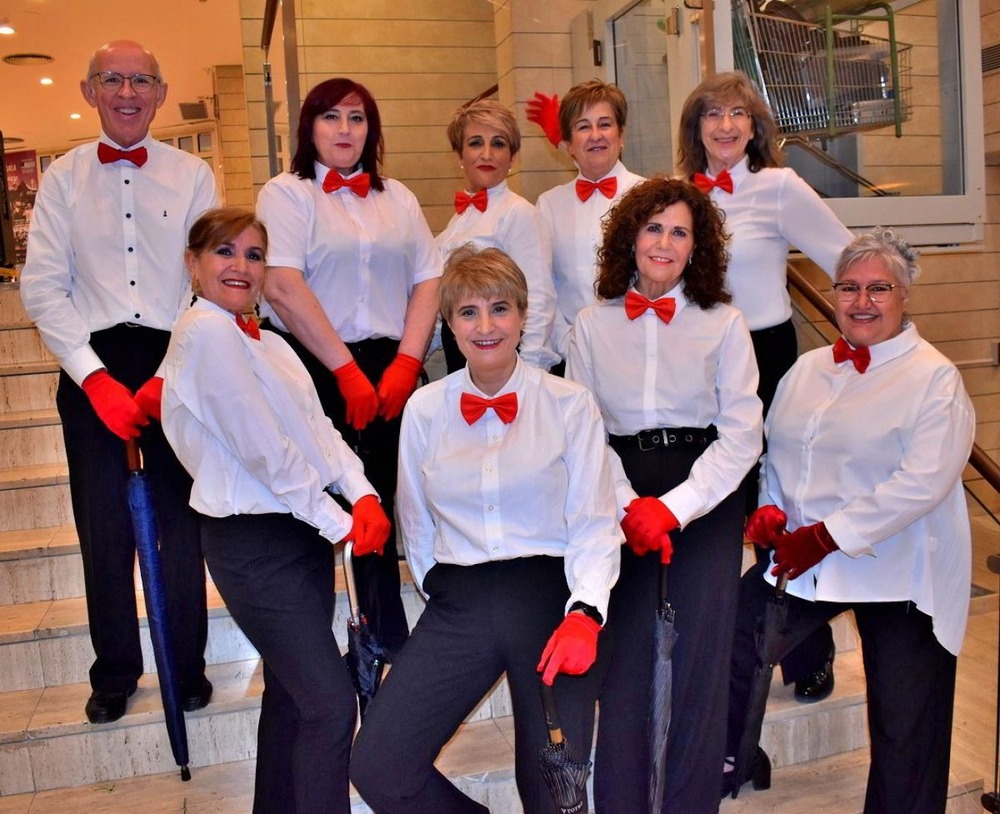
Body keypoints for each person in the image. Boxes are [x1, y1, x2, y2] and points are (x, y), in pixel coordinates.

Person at [350, 246, 622, 814]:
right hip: (462, 602)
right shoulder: (425, 410)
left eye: (500, 308)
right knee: (378, 766)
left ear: (523, 316)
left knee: (555, 789)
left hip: (553, 603)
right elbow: (415, 519)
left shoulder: (570, 405)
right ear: (448, 324)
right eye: (468, 312)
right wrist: (440, 587)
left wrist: (586, 613)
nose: (486, 326)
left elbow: (595, 522)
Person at [725, 228, 975, 812]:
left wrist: (826, 535)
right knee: (732, 635)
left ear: (904, 294)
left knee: (905, 723)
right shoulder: (808, 369)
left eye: (878, 288)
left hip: (903, 573)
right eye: (849, 287)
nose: (861, 301)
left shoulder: (935, 379)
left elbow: (922, 483)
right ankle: (734, 754)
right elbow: (780, 451)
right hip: (811, 565)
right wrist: (770, 508)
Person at [161, 207, 391, 814]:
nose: (240, 266)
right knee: (328, 703)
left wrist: (363, 491)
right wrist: (343, 522)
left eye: (254, 254)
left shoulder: (273, 346)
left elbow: (320, 432)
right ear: (193, 265)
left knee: (292, 698)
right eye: (224, 252)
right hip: (254, 544)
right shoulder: (204, 332)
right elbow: (267, 454)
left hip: (298, 536)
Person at [20, 39, 217, 724]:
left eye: (140, 80)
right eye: (112, 79)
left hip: (176, 365)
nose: (127, 92)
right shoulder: (63, 179)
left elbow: (210, 283)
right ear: (89, 91)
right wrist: (94, 379)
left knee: (179, 529)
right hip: (92, 366)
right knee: (103, 530)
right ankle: (115, 669)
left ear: (160, 94)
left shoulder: (194, 175)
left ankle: (186, 667)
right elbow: (42, 287)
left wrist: (168, 377)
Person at [567, 177, 763, 814]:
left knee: (699, 666)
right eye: (653, 228)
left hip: (704, 490)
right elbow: (583, 428)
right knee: (623, 666)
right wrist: (628, 505)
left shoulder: (726, 324)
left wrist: (674, 508)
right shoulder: (591, 327)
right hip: (618, 484)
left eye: (680, 231)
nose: (665, 242)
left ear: (696, 247)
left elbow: (742, 436)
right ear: (630, 237)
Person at [677, 70, 854, 700]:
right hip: (701, 360)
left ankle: (806, 653)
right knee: (716, 501)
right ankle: (724, 650)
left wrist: (866, 332)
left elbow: (848, 259)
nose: (725, 125)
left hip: (767, 355)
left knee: (778, 503)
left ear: (755, 127)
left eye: (738, 114)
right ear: (695, 128)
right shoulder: (677, 193)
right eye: (713, 114)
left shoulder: (778, 187)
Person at [256, 77, 442, 656]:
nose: (344, 130)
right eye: (331, 117)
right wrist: (344, 371)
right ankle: (312, 645)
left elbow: (428, 279)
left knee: (383, 503)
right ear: (309, 126)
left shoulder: (399, 199)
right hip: (314, 364)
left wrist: (408, 361)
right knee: (319, 503)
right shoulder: (287, 194)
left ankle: (390, 640)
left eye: (357, 118)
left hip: (390, 367)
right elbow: (283, 285)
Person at [434, 99, 558, 373]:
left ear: (513, 157)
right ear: (459, 155)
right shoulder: (459, 219)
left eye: (499, 144)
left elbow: (538, 300)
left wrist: (530, 374)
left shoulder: (519, 213)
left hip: (501, 355)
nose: (487, 154)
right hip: (464, 351)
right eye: (476, 143)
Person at [532, 80, 646, 367]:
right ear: (568, 144)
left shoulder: (651, 197)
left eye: (605, 124)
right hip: (571, 352)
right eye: (583, 127)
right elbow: (543, 285)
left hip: (639, 349)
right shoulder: (548, 204)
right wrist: (566, 341)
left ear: (622, 136)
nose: (595, 135)